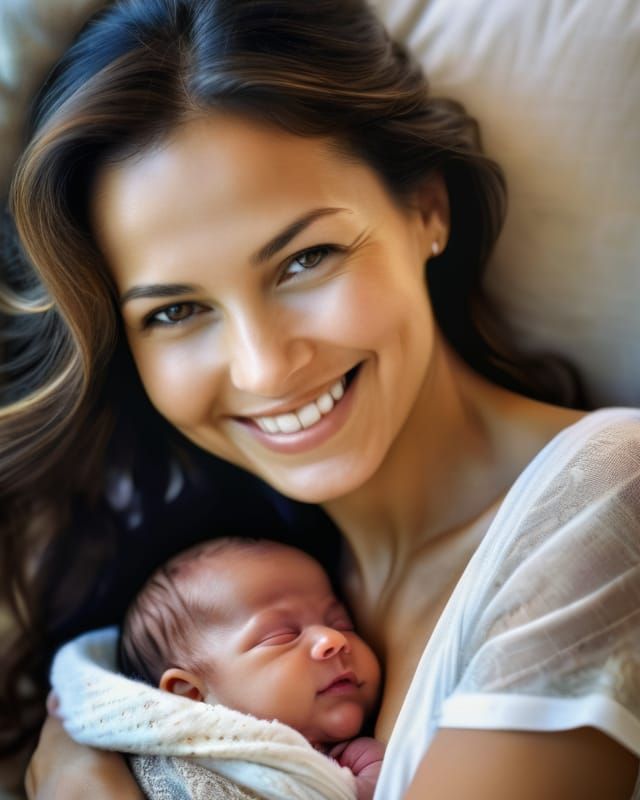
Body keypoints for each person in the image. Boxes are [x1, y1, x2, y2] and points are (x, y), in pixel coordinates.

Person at [0, 0, 638, 798]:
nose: (264, 369)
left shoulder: (610, 496)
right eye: (176, 311)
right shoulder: (215, 588)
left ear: (427, 209)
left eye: (305, 260)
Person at [51, 537, 384, 800]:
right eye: (281, 635)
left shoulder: (354, 763)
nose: (333, 639)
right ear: (190, 694)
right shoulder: (160, 760)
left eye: (341, 622)